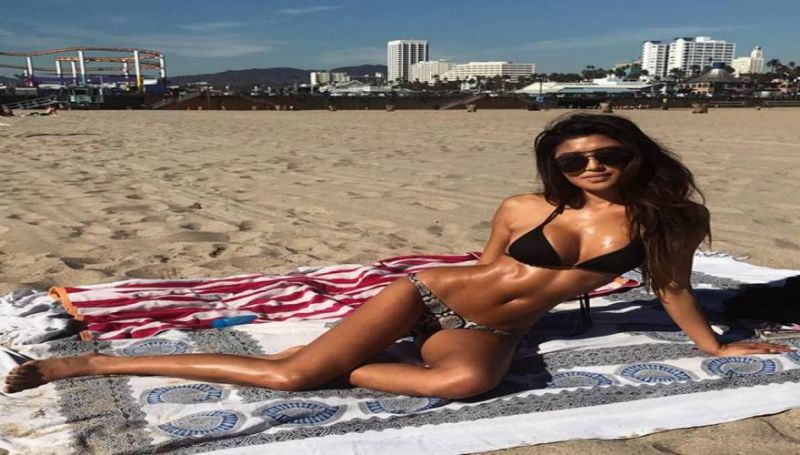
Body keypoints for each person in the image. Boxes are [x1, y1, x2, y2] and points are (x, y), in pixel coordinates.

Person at [4, 113, 792, 397]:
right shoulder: (525, 206)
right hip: (429, 296)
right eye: (575, 159)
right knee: (288, 377)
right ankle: (91, 365)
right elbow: (484, 264)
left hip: (496, 331)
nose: (592, 166)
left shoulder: (669, 218)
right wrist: (422, 310)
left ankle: (342, 362)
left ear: (635, 154)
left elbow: (674, 288)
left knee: (463, 385)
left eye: (607, 154)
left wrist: (713, 345)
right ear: (556, 166)